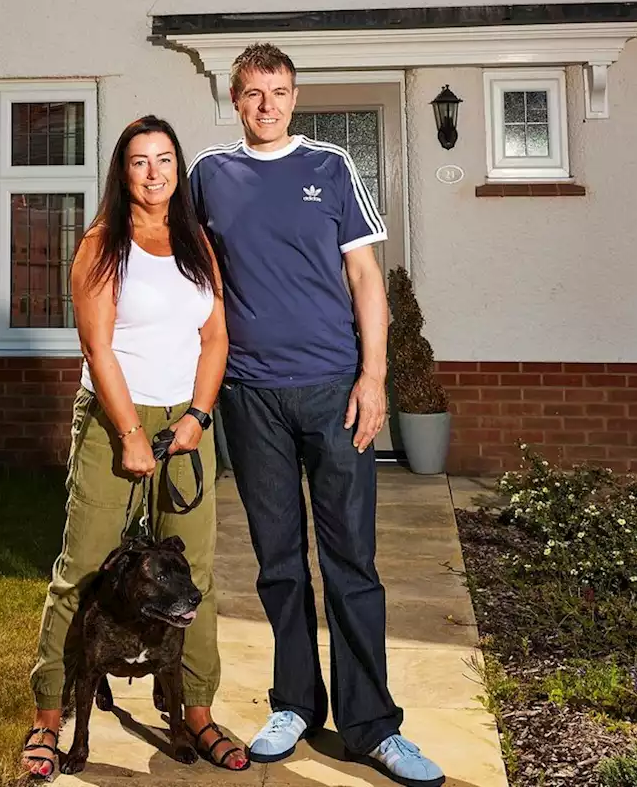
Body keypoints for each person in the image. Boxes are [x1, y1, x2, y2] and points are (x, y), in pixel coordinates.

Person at [187, 44, 446, 787]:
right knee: (277, 563)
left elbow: (367, 277)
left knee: (351, 563)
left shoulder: (330, 167)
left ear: (294, 98)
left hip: (333, 390)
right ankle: (294, 703)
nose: (266, 105)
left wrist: (374, 378)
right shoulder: (209, 175)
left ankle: (372, 726)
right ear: (235, 100)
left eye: (279, 92)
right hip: (249, 395)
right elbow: (195, 276)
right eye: (253, 93)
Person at [20, 115, 250, 780]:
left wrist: (200, 418)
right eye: (140, 162)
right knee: (85, 567)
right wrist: (127, 434)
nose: (155, 173)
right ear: (123, 174)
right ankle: (49, 716)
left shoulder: (195, 242)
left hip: (186, 424)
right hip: (114, 419)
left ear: (178, 169)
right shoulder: (102, 244)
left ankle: (196, 712)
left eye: (166, 160)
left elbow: (216, 340)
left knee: (193, 575)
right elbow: (97, 347)